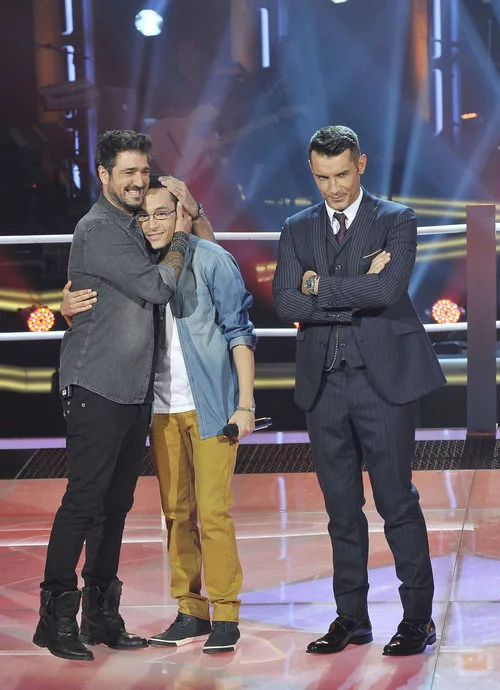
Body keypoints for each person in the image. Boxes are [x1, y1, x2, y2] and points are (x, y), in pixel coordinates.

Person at [62, 175, 257, 655]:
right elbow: (94, 307)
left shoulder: (211, 260)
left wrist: (245, 405)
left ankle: (226, 614)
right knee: (176, 515)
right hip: (158, 410)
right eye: (143, 216)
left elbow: (239, 332)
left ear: (181, 214)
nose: (151, 224)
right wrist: (63, 305)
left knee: (213, 513)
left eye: (162, 213)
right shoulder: (135, 266)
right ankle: (191, 610)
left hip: (211, 408)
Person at [272, 125, 446, 657]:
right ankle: (352, 618)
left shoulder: (397, 219)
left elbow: (387, 290)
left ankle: (417, 620)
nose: (334, 188)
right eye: (323, 177)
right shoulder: (297, 228)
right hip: (323, 386)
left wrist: (317, 285)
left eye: (342, 174)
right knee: (341, 511)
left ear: (361, 165)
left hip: (383, 381)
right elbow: (285, 302)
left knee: (397, 502)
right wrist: (353, 292)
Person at [33, 130, 194, 662]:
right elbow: (157, 287)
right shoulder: (100, 228)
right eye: (128, 172)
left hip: (132, 388)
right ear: (103, 175)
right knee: (85, 501)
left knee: (115, 507)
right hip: (96, 385)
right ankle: (55, 618)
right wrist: (181, 238)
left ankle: (100, 616)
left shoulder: (133, 224)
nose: (138, 180)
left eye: (143, 170)